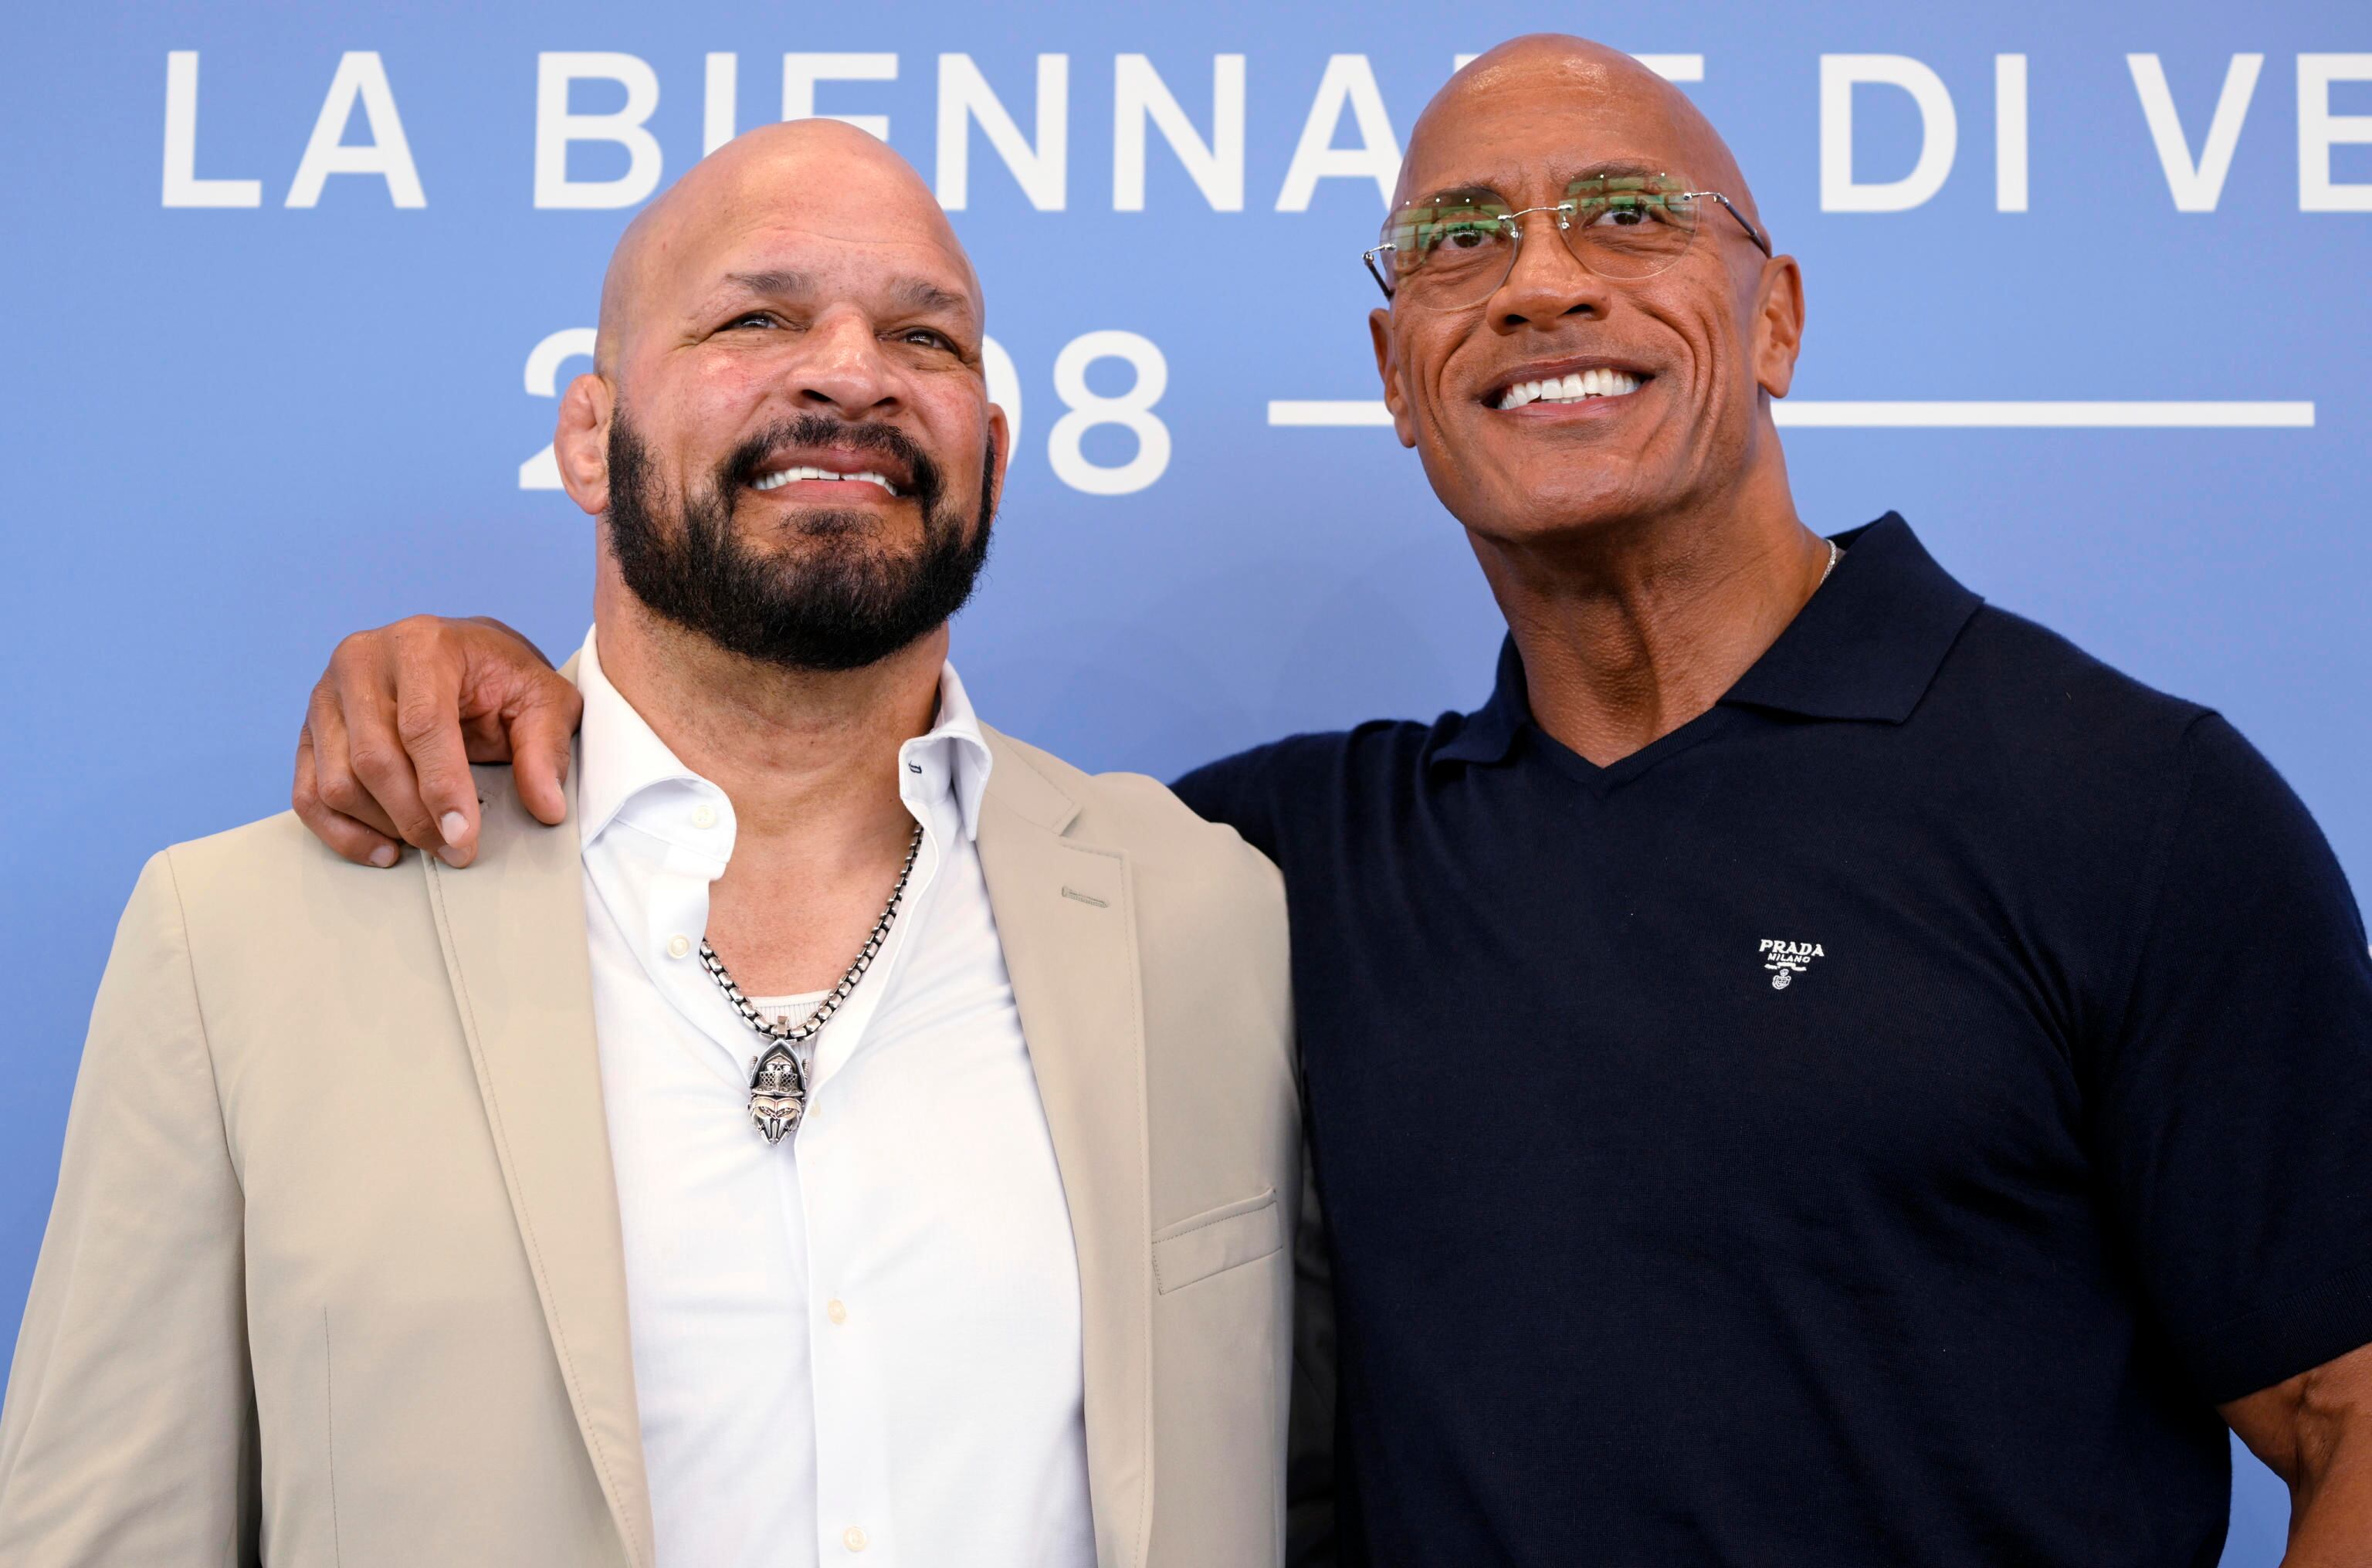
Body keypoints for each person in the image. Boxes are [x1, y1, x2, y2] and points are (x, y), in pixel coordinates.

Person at [275, 32, 2372, 1568]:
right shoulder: (1266, 869)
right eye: (1458, 242)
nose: (1541, 280)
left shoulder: (2126, 801)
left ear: (1779, 313)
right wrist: (499, 677)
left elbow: (2343, 1412)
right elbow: (815, 787)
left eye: (1626, 217)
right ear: (1398, 374)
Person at [0, 121, 1308, 1568]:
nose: (852, 372)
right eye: (760, 318)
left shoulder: (1205, 909)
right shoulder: (240, 939)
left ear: (990, 456)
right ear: (585, 438)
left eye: (926, 339)